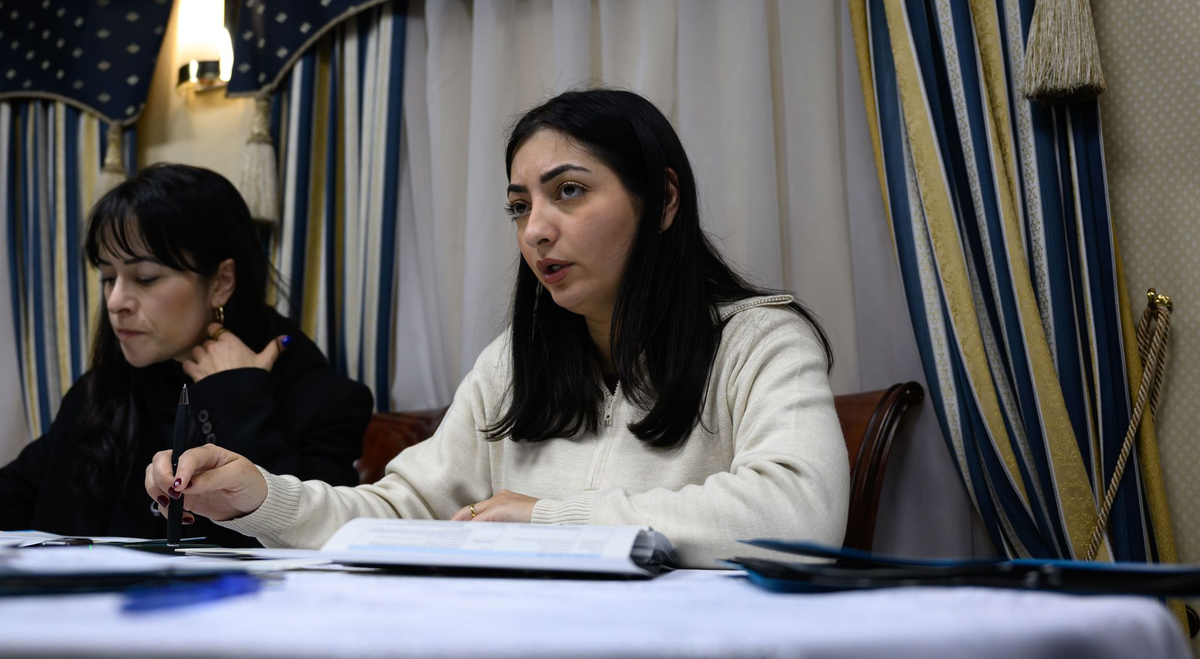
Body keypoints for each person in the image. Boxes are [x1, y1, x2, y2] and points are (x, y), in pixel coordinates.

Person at [146, 90, 850, 568]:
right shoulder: (514, 363)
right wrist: (261, 497)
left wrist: (550, 520)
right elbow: (397, 510)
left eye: (568, 191)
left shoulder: (759, 341)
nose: (537, 228)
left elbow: (798, 514)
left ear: (662, 198)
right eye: (520, 204)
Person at [0, 163, 372, 547]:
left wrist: (237, 398)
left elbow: (320, 538)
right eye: (107, 278)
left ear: (222, 282)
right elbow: (17, 495)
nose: (115, 302)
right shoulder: (105, 388)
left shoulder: (320, 398)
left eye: (145, 278)